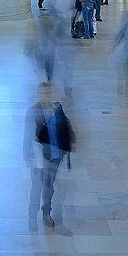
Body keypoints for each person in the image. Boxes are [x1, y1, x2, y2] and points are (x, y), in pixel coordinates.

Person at [31, 83, 74, 228]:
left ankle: (46, 213)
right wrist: (27, 156)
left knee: (48, 186)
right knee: (37, 186)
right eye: (43, 93)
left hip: (55, 156)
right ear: (38, 95)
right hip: (39, 157)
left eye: (48, 93)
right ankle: (32, 214)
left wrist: (71, 141)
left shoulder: (57, 108)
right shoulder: (34, 111)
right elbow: (27, 134)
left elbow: (67, 126)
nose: (46, 96)